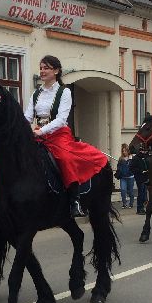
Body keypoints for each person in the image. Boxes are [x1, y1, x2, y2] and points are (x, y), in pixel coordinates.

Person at [25, 55, 107, 217]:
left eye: (46, 68)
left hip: (58, 134)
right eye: (41, 68)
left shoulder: (65, 92)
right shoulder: (36, 93)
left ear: (56, 71)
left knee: (65, 157)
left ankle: (74, 200)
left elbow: (62, 119)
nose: (42, 71)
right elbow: (27, 117)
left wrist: (42, 131)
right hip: (38, 133)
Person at [115, 144, 135, 208]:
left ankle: (131, 203)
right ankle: (124, 203)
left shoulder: (131, 158)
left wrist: (129, 160)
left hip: (130, 177)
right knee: (123, 190)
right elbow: (118, 167)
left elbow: (134, 167)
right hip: (123, 178)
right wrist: (119, 171)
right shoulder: (121, 159)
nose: (124, 152)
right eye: (123, 151)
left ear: (128, 151)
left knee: (130, 191)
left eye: (125, 151)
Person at [132, 147, 150, 214]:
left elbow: (147, 166)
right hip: (139, 178)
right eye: (143, 151)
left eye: (145, 151)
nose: (144, 152)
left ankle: (142, 207)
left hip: (145, 177)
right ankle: (139, 209)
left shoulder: (145, 158)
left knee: (144, 193)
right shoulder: (136, 158)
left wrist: (148, 170)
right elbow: (132, 168)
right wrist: (141, 171)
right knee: (141, 194)